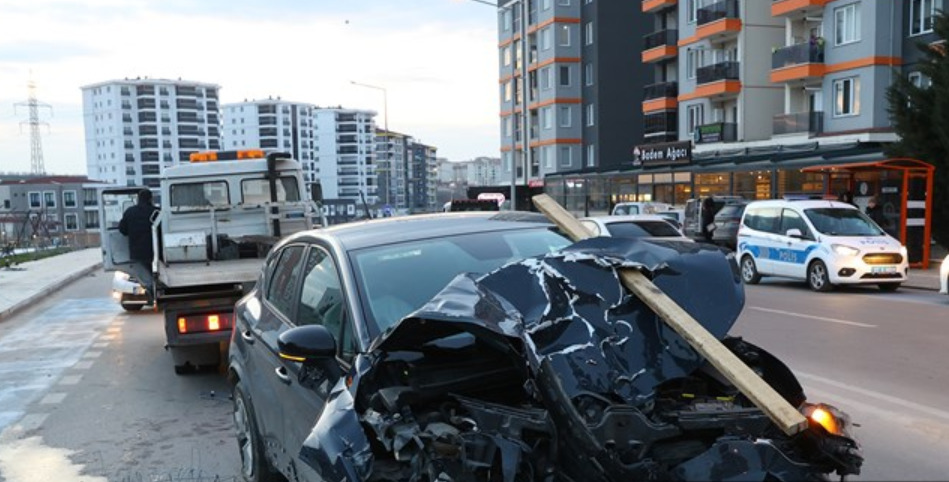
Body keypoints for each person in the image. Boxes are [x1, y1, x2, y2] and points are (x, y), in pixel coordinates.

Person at [119, 189, 159, 304]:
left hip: (137, 253)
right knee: (157, 274)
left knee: (145, 277)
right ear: (151, 199)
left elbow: (123, 230)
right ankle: (156, 291)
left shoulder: (130, 212)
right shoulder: (156, 212)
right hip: (155, 252)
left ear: (138, 199)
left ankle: (151, 290)